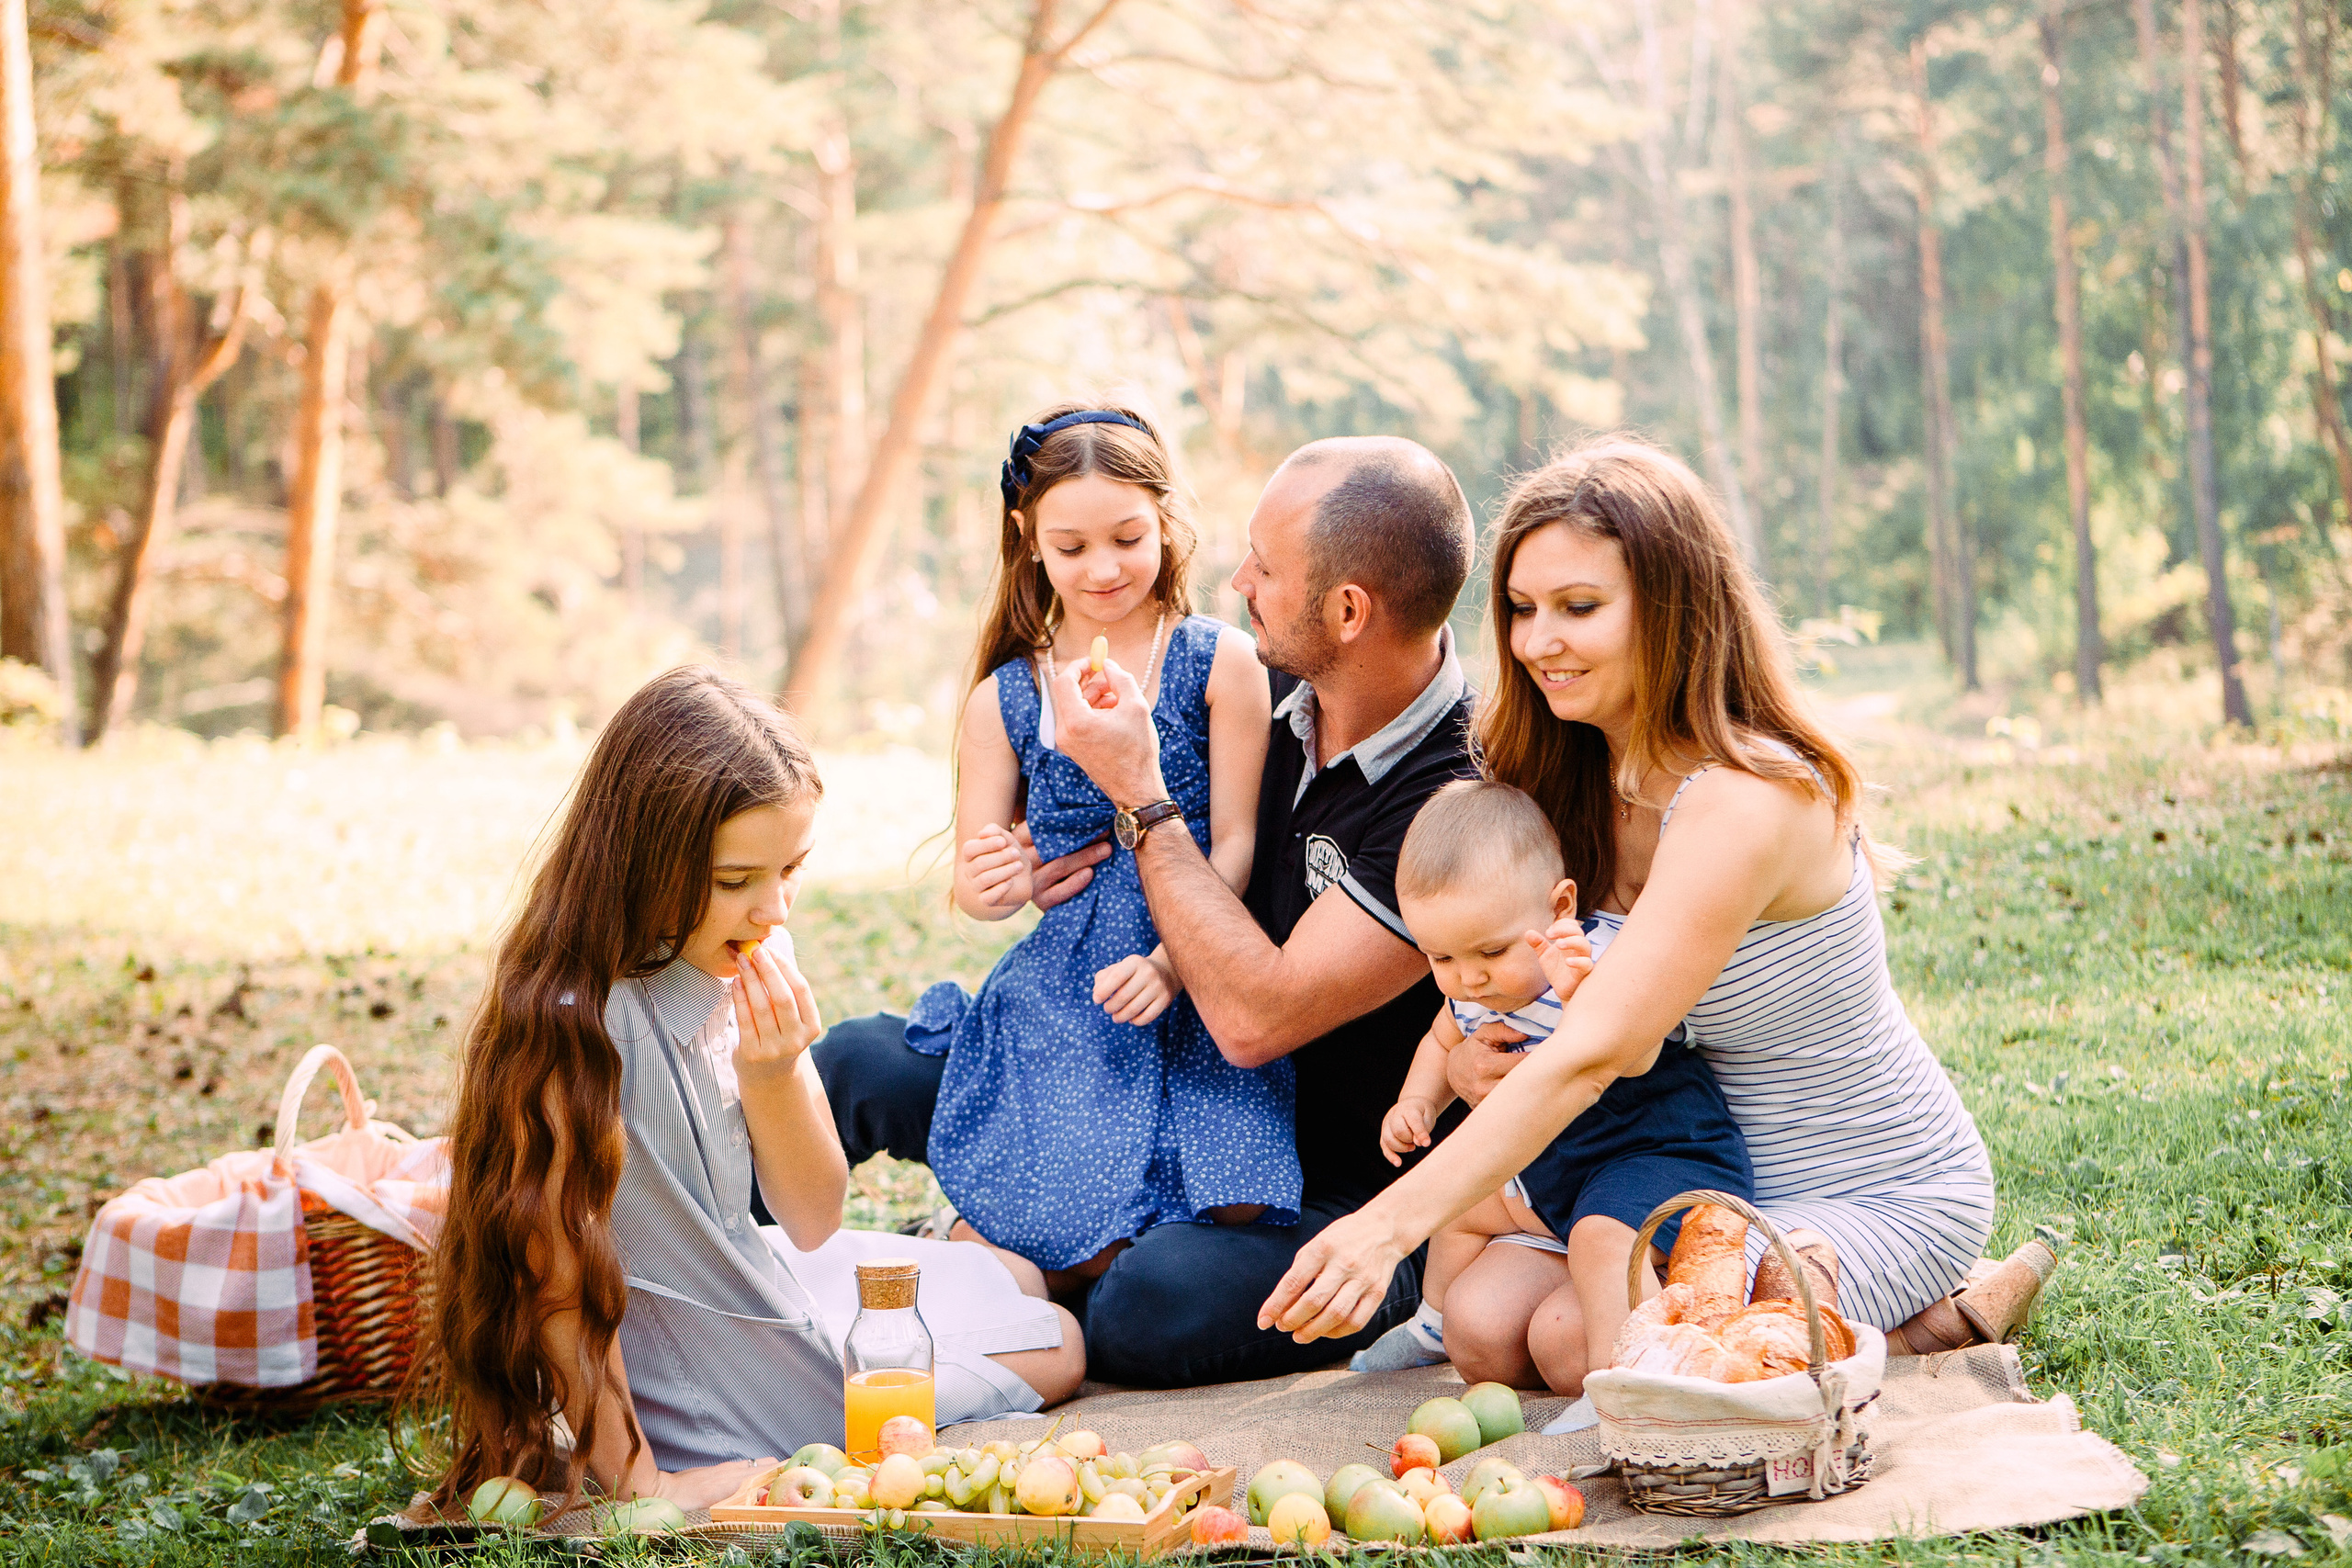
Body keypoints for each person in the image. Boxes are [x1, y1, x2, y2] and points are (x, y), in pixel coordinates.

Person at [1259, 434, 2009, 1387]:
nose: (1537, 642)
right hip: (1678, 1178)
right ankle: (1801, 1334)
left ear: (1673, 609)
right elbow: (1513, 993)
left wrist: (1386, 1223)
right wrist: (1480, 1058)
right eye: (1523, 610)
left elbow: (1604, 1047)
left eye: (1579, 608)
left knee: (1587, 1349)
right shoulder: (1562, 774)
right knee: (1493, 1335)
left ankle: (1931, 1325)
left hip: (1873, 1189)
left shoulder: (1747, 799)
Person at [817, 436, 1482, 1384]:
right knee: (858, 1062)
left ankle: (1045, 1257)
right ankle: (701, 1291)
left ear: (1346, 610)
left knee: (1144, 1311)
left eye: (1267, 567)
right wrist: (1028, 860)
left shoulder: (1449, 800)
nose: (1237, 577)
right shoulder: (1267, 684)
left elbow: (1254, 1022)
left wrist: (1139, 795)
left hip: (1297, 1165)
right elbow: (1021, 831)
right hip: (1096, 1066)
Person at [428, 668, 1082, 1515]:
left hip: (762, 1272)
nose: (773, 908)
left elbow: (812, 1216)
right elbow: (555, 1280)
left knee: (1020, 1277)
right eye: (736, 880)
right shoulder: (573, 1022)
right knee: (1059, 1343)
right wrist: (643, 1483)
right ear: (641, 859)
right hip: (714, 1367)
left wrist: (773, 1072)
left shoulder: (737, 949)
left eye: (792, 869)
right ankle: (854, 1407)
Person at [910, 402, 1295, 1290]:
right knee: (1085, 1249)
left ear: (1165, 520)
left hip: (1198, 967)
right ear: (1028, 537)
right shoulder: (1006, 697)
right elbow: (980, 885)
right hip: (1068, 988)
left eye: (1127, 537)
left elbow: (1237, 843)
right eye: (1071, 546)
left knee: (1232, 1205)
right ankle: (976, 1243)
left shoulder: (1219, 662)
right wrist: (995, 879)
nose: (1104, 568)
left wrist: (1172, 963)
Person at [1349, 780, 1752, 1389]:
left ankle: (1632, 1381)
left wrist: (1581, 996)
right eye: (1443, 958)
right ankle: (1431, 1321)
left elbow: (1637, 1050)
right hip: (1561, 1172)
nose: (1470, 976)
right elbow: (1441, 1040)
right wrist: (1419, 1100)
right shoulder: (1474, 994)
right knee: (1456, 1197)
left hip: (1661, 1153)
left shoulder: (1597, 957)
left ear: (1559, 907)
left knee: (1602, 1236)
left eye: (1489, 949)